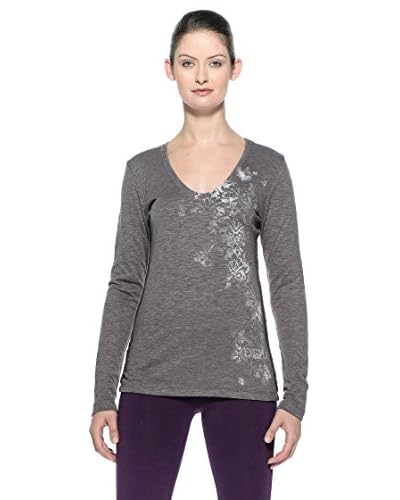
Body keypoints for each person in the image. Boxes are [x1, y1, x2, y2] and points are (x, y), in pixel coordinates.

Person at [89, 9, 309, 500]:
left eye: (215, 62)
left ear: (235, 67)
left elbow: (286, 283)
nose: (202, 76)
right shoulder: (142, 171)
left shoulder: (268, 169)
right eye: (189, 63)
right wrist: (103, 393)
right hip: (151, 379)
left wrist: (295, 397)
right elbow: (125, 284)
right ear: (170, 69)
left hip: (244, 381)